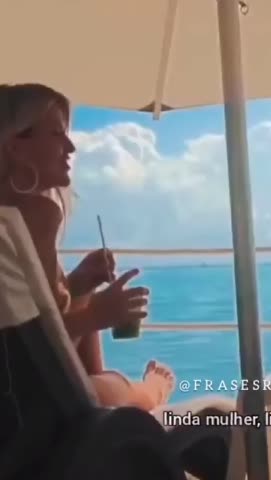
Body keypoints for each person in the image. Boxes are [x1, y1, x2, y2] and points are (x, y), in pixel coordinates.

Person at [0, 83, 232, 479]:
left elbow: (25, 334)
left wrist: (80, 284)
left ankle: (130, 389)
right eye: (56, 134)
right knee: (212, 419)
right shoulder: (35, 214)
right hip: (50, 422)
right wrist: (99, 315)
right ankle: (153, 390)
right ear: (15, 145)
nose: (70, 147)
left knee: (105, 382)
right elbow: (35, 357)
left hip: (20, 413)